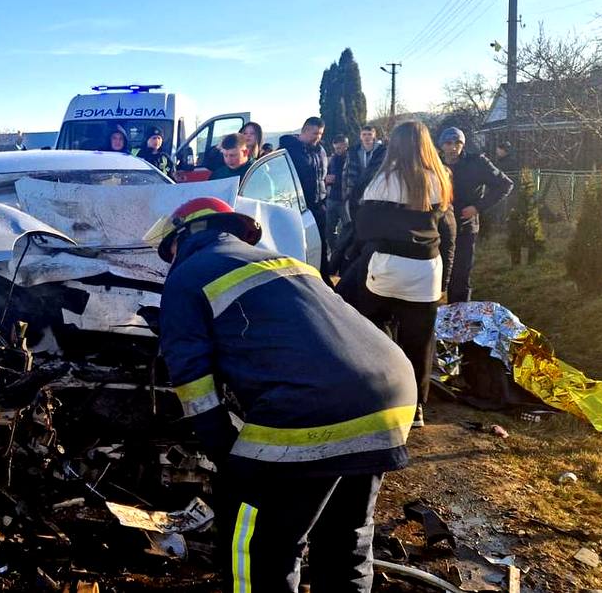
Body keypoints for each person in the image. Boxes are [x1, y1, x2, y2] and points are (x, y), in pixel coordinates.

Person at [147, 197, 416, 592]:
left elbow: (192, 380)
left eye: (169, 250)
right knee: (347, 538)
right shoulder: (284, 262)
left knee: (259, 542)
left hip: (312, 406)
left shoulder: (187, 275)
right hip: (392, 389)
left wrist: (228, 456)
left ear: (185, 235)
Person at [340, 121, 456, 429]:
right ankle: (416, 407)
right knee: (419, 340)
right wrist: (446, 280)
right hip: (427, 270)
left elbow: (363, 227)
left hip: (386, 268)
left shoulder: (383, 180)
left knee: (371, 329)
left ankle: (376, 394)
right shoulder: (441, 179)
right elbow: (448, 230)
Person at [439, 127, 513, 303]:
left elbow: (505, 184)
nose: (454, 147)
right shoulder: (434, 163)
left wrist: (477, 207)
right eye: (449, 143)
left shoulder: (477, 162)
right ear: (441, 145)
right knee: (436, 275)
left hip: (464, 226)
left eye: (458, 143)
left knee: (460, 277)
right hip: (438, 227)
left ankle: (460, 320)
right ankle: (435, 319)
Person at [280, 117, 328, 273]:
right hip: (298, 208)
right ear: (305, 130)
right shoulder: (289, 151)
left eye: (321, 134)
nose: (318, 137)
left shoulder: (320, 150)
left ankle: (323, 277)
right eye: (315, 133)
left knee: (321, 245)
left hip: (319, 206)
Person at [325, 134, 350, 257]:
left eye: (340, 148)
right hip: (332, 198)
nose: (338, 151)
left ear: (346, 146)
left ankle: (346, 254)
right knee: (329, 230)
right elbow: (327, 175)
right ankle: (336, 254)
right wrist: (327, 179)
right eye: (336, 148)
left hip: (346, 200)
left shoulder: (351, 160)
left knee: (348, 229)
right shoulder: (333, 160)